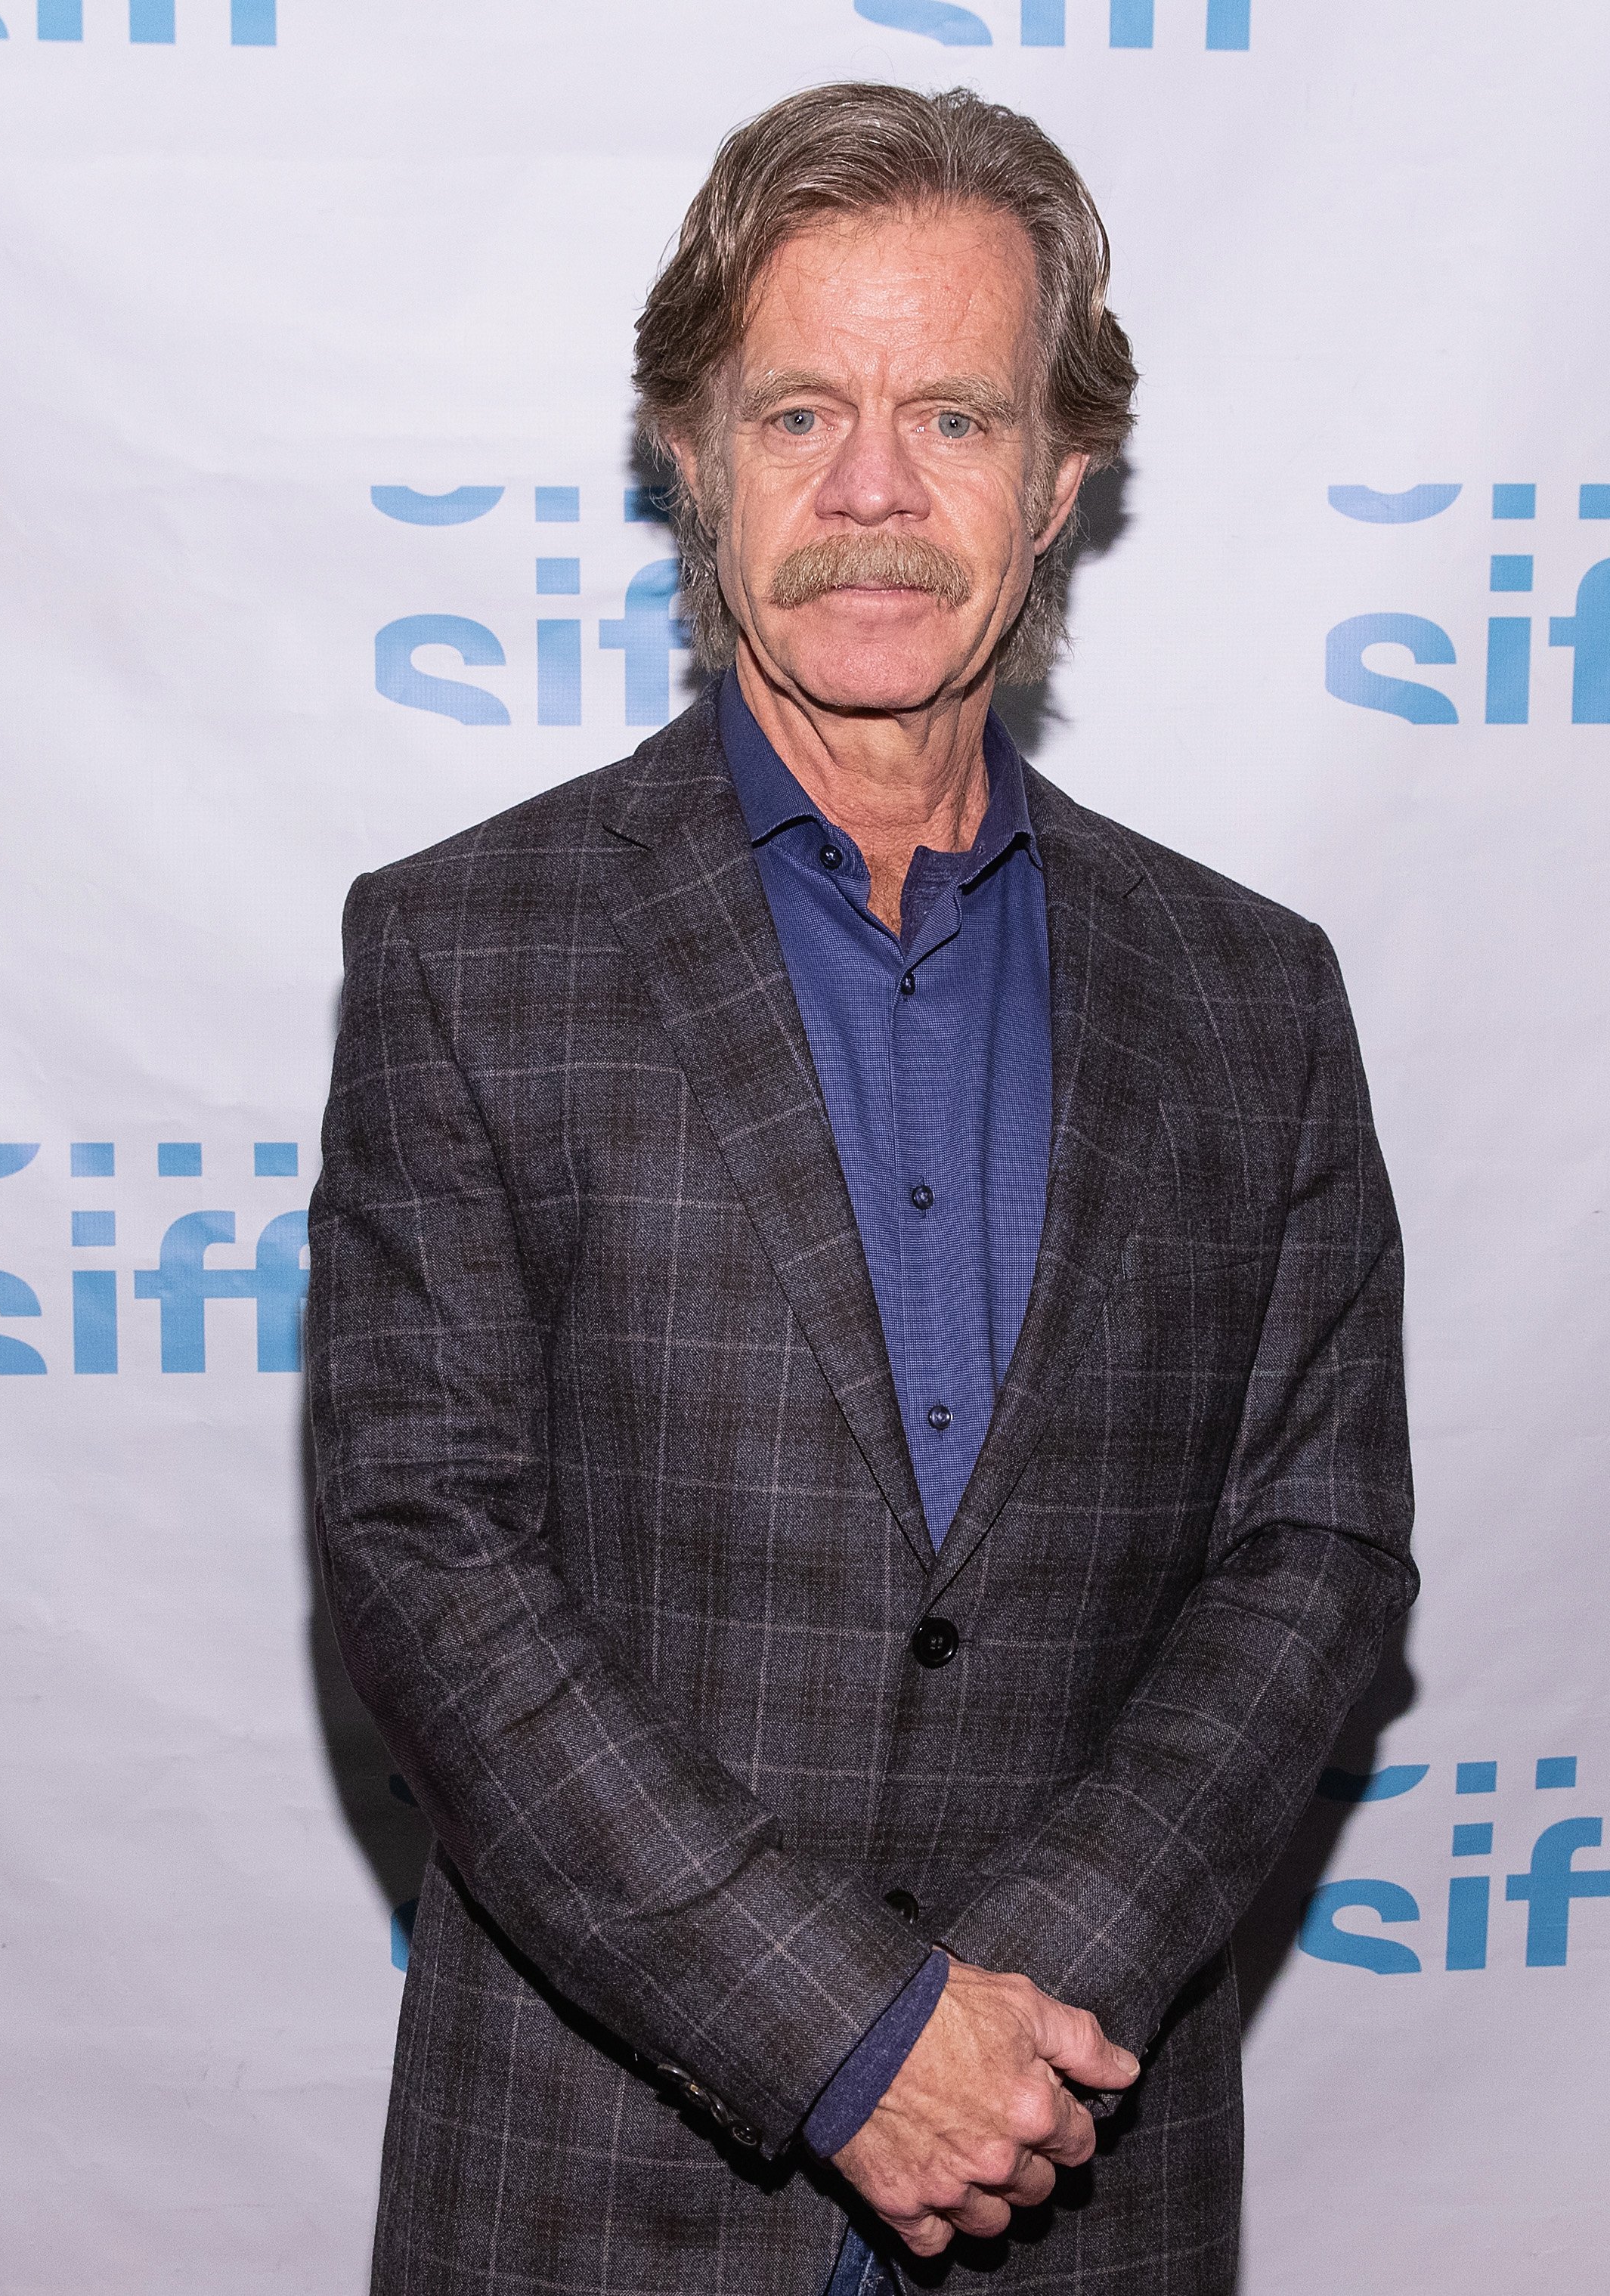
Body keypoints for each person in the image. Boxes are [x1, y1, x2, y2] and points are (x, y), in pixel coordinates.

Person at [309, 81, 1414, 2295]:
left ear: (1065, 479)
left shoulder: (1251, 997)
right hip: (594, 2197)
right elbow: (427, 1564)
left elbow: (1313, 1565)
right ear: (689, 462)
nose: (876, 497)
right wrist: (848, 2034)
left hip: (1073, 2175)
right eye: (800, 415)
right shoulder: (466, 955)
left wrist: (1004, 2020)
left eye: (956, 419)